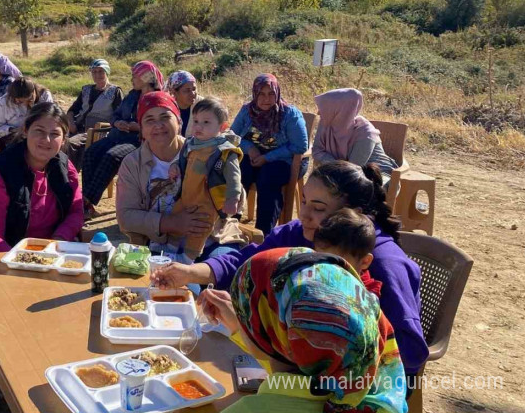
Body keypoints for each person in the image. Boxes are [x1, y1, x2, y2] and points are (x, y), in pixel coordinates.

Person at [151, 160, 429, 376]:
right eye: (304, 201)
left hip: (348, 384)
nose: (304, 214)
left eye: (319, 208)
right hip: (293, 357)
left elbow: (410, 355)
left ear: (355, 215)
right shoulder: (300, 232)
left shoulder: (384, 263)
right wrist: (191, 272)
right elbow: (247, 260)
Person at [201, 247, 407, 413]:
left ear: (273, 336)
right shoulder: (370, 389)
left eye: (246, 315)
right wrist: (241, 325)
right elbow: (291, 365)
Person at [115, 92, 244, 264]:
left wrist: (228, 193)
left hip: (214, 237)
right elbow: (126, 218)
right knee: (177, 286)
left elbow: (237, 198)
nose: (158, 125)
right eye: (149, 120)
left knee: (221, 275)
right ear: (142, 128)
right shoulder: (132, 164)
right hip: (162, 245)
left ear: (179, 121)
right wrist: (172, 223)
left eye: (165, 117)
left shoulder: (208, 149)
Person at [0, 102, 84, 253]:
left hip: (53, 249)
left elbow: (76, 211)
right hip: (9, 251)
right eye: (39, 131)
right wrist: (27, 260)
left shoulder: (65, 167)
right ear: (25, 131)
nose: (46, 139)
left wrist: (59, 241)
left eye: (54, 134)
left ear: (63, 139)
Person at [165, 97, 244, 264]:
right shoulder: (191, 144)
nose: (198, 126)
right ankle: (169, 251)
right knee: (175, 217)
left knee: (200, 228)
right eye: (196, 121)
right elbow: (181, 160)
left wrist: (233, 198)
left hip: (207, 202)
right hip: (186, 197)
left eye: (206, 122)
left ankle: (187, 259)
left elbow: (235, 177)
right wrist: (175, 167)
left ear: (222, 127)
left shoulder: (224, 151)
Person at [82, 61, 163, 216]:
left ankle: (85, 201)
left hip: (138, 141)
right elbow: (116, 114)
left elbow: (160, 126)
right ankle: (88, 207)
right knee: (91, 153)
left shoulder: (158, 99)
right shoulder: (133, 95)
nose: (132, 79)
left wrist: (137, 127)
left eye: (135, 76)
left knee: (111, 156)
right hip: (117, 135)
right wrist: (117, 122)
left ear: (146, 77)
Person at [231, 73, 308, 234]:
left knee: (267, 177)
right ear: (254, 94)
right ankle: (230, 223)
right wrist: (249, 149)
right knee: (236, 171)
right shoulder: (247, 111)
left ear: (277, 93)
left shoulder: (289, 114)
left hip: (285, 161)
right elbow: (232, 136)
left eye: (271, 94)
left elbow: (300, 146)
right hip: (254, 157)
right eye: (261, 94)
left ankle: (263, 234)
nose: (266, 99)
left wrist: (267, 158)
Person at [313, 88, 398, 177]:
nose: (318, 113)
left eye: (325, 108)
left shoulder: (365, 133)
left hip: (376, 176)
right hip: (344, 173)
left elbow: (352, 169)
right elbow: (317, 150)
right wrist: (334, 163)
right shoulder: (327, 122)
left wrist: (329, 162)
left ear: (341, 110)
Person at [64, 59, 123, 168]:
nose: (97, 75)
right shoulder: (86, 90)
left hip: (98, 131)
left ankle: (70, 176)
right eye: (94, 72)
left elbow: (119, 116)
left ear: (107, 72)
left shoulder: (115, 92)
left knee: (69, 144)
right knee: (58, 142)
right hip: (78, 128)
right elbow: (72, 110)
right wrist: (71, 123)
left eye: (101, 71)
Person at [313, 208, 383, 297]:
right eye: (320, 260)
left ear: (365, 261)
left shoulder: (366, 297)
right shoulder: (310, 279)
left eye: (337, 264)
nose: (326, 269)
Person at [0, 77, 53, 149]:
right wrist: (14, 130)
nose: (23, 104)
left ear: (33, 92)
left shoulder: (44, 96)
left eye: (28, 100)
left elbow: (50, 120)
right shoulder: (5, 101)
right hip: (13, 137)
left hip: (38, 135)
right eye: (19, 101)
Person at [166, 70, 200, 137]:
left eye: (194, 89)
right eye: (187, 90)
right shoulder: (167, 108)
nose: (192, 93)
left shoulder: (202, 105)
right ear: (174, 92)